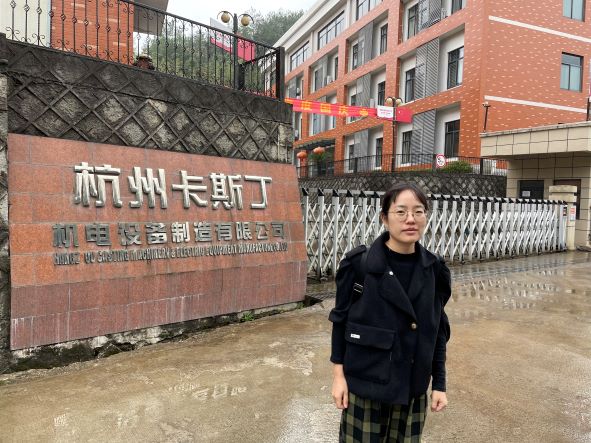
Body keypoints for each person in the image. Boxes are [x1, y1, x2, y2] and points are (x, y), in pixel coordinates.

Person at [329, 182, 452, 442]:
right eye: (401, 212)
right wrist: (338, 377)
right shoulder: (358, 265)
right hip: (365, 386)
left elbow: (437, 331)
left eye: (418, 211)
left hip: (411, 388)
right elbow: (340, 321)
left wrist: (439, 384)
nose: (411, 219)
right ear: (384, 218)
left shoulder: (435, 270)